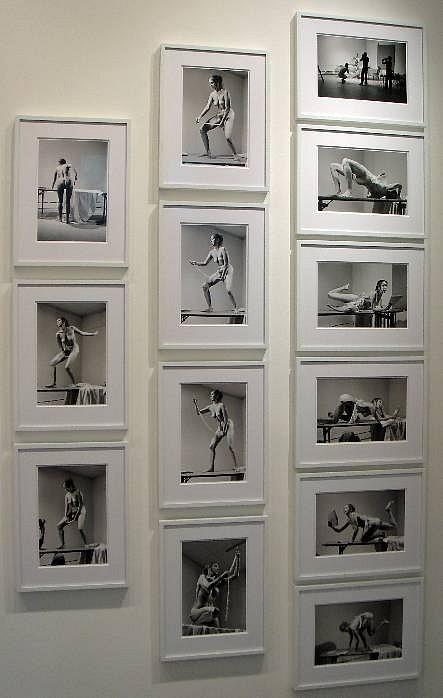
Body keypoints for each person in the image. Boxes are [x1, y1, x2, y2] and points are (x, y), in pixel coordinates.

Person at [190, 550, 240, 627]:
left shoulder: (218, 583)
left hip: (209, 612)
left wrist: (237, 558)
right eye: (215, 566)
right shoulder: (202, 577)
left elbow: (235, 575)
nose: (218, 568)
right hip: (196, 612)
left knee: (217, 623)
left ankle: (202, 623)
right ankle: (196, 623)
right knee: (214, 611)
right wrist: (221, 576)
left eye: (218, 567)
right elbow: (208, 586)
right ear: (210, 568)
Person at [188, 233, 237, 312]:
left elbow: (226, 264)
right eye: (210, 239)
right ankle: (210, 308)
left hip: (228, 269)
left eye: (212, 239)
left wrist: (223, 276)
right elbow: (205, 263)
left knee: (228, 290)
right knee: (205, 286)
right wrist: (195, 263)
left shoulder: (223, 249)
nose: (211, 241)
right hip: (220, 271)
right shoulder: (211, 252)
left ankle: (235, 308)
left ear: (217, 240)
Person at [46, 316, 99, 388]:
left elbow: (82, 333)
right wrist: (64, 353)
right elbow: (60, 346)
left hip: (74, 349)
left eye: (59, 320)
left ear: (63, 322)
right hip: (66, 350)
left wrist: (93, 334)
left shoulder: (72, 328)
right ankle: (54, 383)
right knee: (52, 363)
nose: (57, 322)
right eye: (57, 321)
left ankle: (74, 384)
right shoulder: (58, 334)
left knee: (66, 367)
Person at [193, 389, 238, 472]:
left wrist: (224, 430)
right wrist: (195, 404)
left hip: (228, 425)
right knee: (211, 447)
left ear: (217, 396)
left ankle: (236, 467)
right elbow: (198, 413)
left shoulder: (221, 405)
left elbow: (226, 418)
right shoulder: (210, 407)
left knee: (230, 447)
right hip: (220, 427)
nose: (211, 396)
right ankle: (211, 468)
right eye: (210, 394)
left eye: (212, 394)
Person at [195, 74, 238, 160]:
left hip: (228, 115)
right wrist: (199, 116)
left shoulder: (225, 93)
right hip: (220, 115)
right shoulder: (212, 94)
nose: (210, 85)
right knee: (202, 130)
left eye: (212, 83)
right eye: (210, 83)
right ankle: (208, 152)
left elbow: (227, 108)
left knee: (227, 137)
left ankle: (235, 154)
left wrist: (222, 122)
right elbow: (207, 107)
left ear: (217, 82)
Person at [329, 158, 402, 200]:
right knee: (333, 166)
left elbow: (399, 185)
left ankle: (349, 191)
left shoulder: (385, 188)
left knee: (345, 161)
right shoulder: (378, 194)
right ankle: (338, 192)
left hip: (365, 176)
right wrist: (398, 196)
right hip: (360, 180)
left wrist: (398, 194)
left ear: (390, 192)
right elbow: (369, 194)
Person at [328, 500, 398, 544]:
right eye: (344, 508)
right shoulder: (349, 519)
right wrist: (332, 526)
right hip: (376, 521)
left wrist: (352, 540)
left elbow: (356, 529)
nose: (344, 509)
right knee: (394, 526)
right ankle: (388, 510)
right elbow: (339, 530)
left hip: (372, 524)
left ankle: (380, 534)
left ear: (351, 509)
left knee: (363, 540)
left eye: (346, 508)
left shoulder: (352, 515)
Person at [56, 478, 87, 548]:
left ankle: (86, 544)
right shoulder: (67, 495)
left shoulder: (78, 492)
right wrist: (66, 516)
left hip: (81, 511)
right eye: (64, 488)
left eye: (66, 488)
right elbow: (68, 507)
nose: (65, 490)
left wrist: (76, 516)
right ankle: (63, 545)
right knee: (59, 526)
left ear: (70, 486)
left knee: (80, 528)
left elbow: (80, 505)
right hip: (73, 511)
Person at [51, 158, 78, 224]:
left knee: (60, 201)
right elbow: (75, 173)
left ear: (60, 163)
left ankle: (60, 218)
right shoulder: (68, 165)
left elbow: (54, 178)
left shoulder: (57, 168)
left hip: (60, 183)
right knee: (68, 201)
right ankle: (67, 220)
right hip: (68, 182)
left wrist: (52, 186)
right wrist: (74, 180)